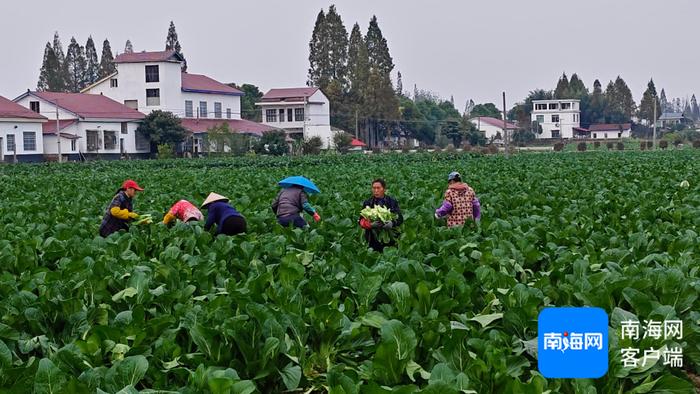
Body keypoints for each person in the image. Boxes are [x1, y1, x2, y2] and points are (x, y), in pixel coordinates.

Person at [358, 179, 403, 252]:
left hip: (389, 238)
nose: (376, 190)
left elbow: (400, 218)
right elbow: (361, 220)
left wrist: (392, 223)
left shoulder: (392, 201)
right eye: (374, 188)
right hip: (372, 238)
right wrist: (370, 225)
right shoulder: (368, 202)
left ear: (384, 189)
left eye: (378, 188)